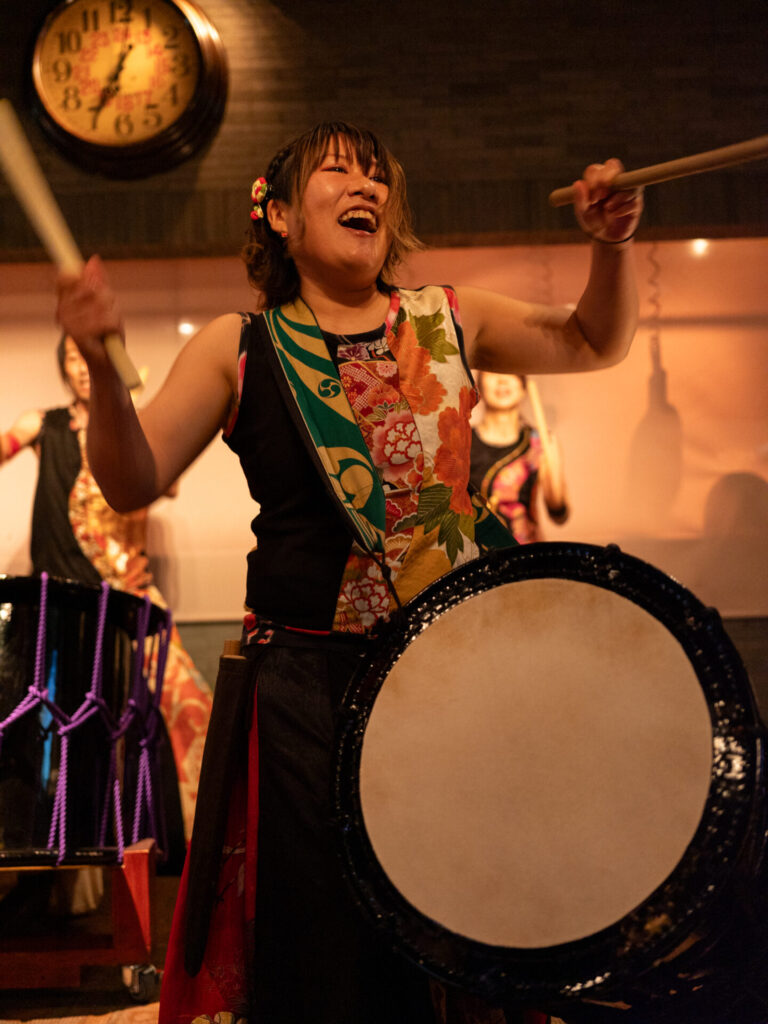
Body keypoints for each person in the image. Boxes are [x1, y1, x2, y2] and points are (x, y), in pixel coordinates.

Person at [55, 121, 643, 1024]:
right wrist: (101, 364)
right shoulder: (240, 344)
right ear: (280, 215)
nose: (365, 185)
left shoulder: (447, 318)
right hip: (307, 689)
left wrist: (610, 247)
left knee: (466, 921)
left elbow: (594, 341)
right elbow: (132, 478)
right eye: (337, 171)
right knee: (325, 947)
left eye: (376, 175)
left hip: (452, 673)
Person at [0, 335, 213, 848]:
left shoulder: (127, 428)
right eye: (72, 359)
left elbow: (166, 483)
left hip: (120, 603)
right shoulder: (43, 424)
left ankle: (193, 844)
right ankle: (51, 854)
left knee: (180, 711)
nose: (80, 368)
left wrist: (131, 425)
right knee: (54, 729)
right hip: (58, 608)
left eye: (88, 358)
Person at [470, 371, 569, 543]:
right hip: (476, 551)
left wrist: (555, 486)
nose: (502, 380)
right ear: (480, 388)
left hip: (525, 552)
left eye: (510, 372)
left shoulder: (540, 443)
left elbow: (559, 517)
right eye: (492, 371)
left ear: (524, 387)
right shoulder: (461, 442)